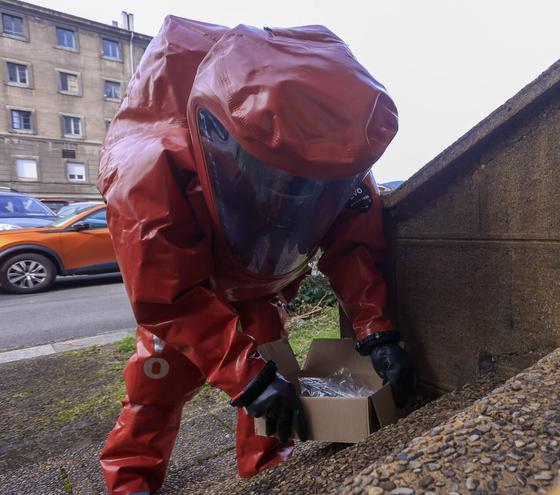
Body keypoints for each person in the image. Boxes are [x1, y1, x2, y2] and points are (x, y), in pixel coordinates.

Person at [97, 16, 415, 495]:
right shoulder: (149, 167)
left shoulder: (336, 165)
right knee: (154, 390)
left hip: (259, 290)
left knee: (274, 396)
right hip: (195, 294)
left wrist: (377, 332)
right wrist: (247, 378)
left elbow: (352, 245)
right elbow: (168, 295)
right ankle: (130, 482)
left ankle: (270, 476)